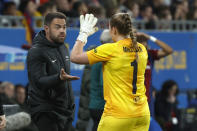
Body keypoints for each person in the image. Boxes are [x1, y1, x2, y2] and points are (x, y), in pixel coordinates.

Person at [71, 13, 150, 131]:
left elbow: (74, 57)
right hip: (142, 114)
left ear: (113, 29)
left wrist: (83, 34)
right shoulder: (142, 49)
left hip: (117, 115)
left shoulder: (110, 49)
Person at [27, 12, 79, 131]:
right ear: (46, 28)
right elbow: (39, 81)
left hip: (64, 113)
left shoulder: (63, 47)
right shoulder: (36, 51)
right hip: (46, 112)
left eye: (64, 27)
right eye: (57, 27)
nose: (62, 30)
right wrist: (58, 78)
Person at [136, 32, 173, 115]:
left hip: (147, 100)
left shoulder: (150, 54)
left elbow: (169, 50)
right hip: (132, 100)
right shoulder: (128, 55)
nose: (143, 43)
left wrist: (150, 37)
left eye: (144, 41)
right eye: (140, 41)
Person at [89, 29, 111, 131]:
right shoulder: (104, 58)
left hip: (95, 104)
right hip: (102, 106)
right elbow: (105, 85)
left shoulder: (97, 54)